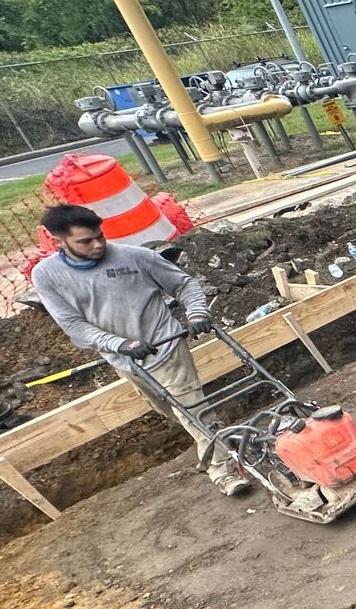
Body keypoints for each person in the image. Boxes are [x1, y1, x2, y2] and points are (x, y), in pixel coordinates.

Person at [30, 204, 248, 496]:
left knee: (191, 410)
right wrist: (119, 344)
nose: (97, 245)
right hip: (124, 359)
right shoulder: (46, 275)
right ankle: (217, 435)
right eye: (85, 241)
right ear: (59, 242)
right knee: (172, 410)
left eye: (99, 236)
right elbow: (73, 324)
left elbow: (184, 285)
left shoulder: (134, 257)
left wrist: (197, 314)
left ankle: (224, 471)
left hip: (165, 345)